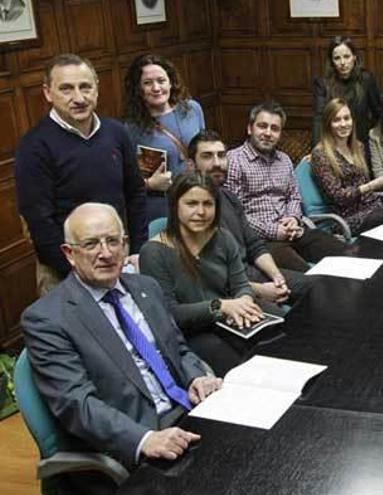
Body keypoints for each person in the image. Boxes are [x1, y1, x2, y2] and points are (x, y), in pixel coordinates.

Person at [22, 203, 220, 493]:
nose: (106, 252)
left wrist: (195, 377)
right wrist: (145, 439)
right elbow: (78, 406)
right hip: (133, 443)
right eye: (91, 244)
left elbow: (178, 348)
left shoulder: (146, 287)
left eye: (113, 241)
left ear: (125, 244)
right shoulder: (47, 319)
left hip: (188, 412)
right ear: (69, 254)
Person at [15, 53, 147, 296]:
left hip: (118, 260)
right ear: (47, 93)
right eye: (66, 89)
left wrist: (137, 250)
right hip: (65, 273)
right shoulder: (34, 146)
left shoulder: (116, 132)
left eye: (85, 87)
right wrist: (80, 271)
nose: (78, 98)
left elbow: (136, 193)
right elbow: (39, 222)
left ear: (97, 89)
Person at [139, 172, 265, 376]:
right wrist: (220, 306)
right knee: (243, 370)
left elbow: (241, 284)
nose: (201, 212)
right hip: (189, 333)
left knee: (276, 346)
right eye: (191, 204)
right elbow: (169, 313)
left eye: (208, 204)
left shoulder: (223, 238)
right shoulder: (153, 252)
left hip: (228, 320)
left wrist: (244, 302)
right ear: (175, 206)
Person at [187, 130, 312, 306]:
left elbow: (254, 245)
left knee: (314, 286)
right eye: (207, 156)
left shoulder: (229, 197)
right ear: (191, 165)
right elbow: (207, 276)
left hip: (249, 272)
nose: (217, 163)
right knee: (279, 322)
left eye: (221, 156)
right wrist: (260, 290)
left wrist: (277, 277)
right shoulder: (188, 207)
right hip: (226, 291)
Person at [226, 101, 348, 272]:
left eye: (274, 128)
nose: (268, 133)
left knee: (348, 255)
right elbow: (234, 213)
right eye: (262, 126)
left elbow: (294, 196)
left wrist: (293, 218)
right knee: (308, 275)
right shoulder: (234, 160)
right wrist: (274, 230)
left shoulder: (284, 160)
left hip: (293, 231)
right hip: (261, 241)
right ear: (250, 128)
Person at [123, 54, 206, 222]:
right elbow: (125, 180)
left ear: (170, 82)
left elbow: (205, 147)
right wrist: (149, 184)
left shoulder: (192, 109)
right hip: (161, 205)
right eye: (147, 83)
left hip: (197, 197)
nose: (156, 88)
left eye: (161, 80)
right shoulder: (130, 129)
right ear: (138, 88)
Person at [312, 98, 383, 234]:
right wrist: (370, 186)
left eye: (347, 118)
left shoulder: (358, 146)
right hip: (345, 217)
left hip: (372, 206)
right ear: (328, 124)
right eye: (337, 120)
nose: (343, 124)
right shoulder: (321, 154)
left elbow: (363, 184)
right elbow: (338, 197)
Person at [312, 36, 381, 148]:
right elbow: (319, 118)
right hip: (333, 143)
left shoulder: (366, 80)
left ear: (354, 57)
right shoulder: (323, 83)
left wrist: (370, 136)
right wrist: (316, 148)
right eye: (337, 58)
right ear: (332, 61)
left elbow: (377, 113)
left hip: (361, 142)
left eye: (346, 56)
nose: (343, 62)